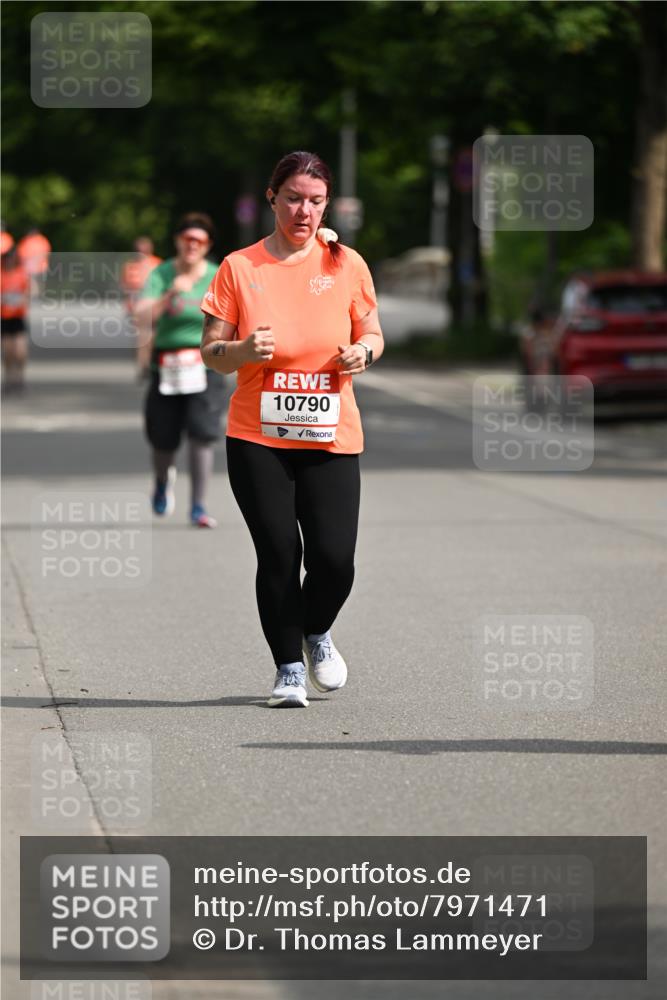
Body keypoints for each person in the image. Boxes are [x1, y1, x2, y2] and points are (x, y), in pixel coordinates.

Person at [201, 150, 384, 707]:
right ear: (272, 198)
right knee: (279, 552)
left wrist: (363, 353)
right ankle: (287, 671)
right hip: (258, 436)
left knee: (334, 559)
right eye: (294, 199)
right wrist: (240, 348)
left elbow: (373, 332)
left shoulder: (344, 263)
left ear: (326, 204)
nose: (304, 211)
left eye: (316, 201)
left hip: (330, 435)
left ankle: (316, 632)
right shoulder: (239, 266)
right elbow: (211, 353)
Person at [135, 212, 224, 528]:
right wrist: (172, 292)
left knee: (202, 434)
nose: (192, 246)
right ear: (177, 241)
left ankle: (198, 506)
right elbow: (142, 316)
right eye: (187, 239)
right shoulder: (162, 274)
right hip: (166, 365)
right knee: (163, 437)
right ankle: (162, 482)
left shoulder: (217, 275)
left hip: (204, 365)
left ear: (207, 245)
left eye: (198, 241)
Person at [1, 233, 30, 393]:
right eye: (7, 258)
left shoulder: (21, 274)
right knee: (8, 351)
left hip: (18, 316)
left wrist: (22, 301)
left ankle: (19, 377)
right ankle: (8, 377)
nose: (9, 261)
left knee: (20, 351)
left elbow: (28, 293)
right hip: (4, 316)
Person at [121, 236, 162, 318]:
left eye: (143, 250)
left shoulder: (157, 263)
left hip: (152, 299)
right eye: (138, 250)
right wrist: (128, 301)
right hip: (135, 299)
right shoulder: (130, 265)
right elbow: (125, 285)